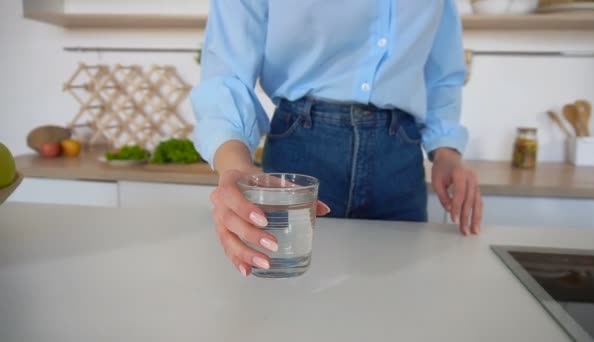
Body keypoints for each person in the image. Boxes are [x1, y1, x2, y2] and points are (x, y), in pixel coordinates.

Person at [191, 0, 483, 277]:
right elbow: (226, 72)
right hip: (301, 149)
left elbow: (442, 74)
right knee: (290, 304)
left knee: (397, 301)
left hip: (399, 158)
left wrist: (446, 152)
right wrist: (235, 165)